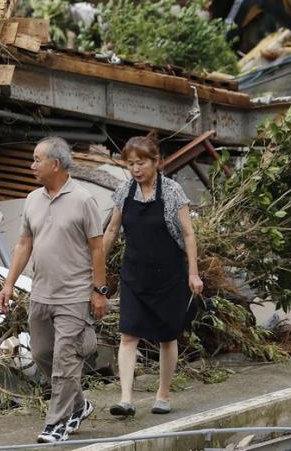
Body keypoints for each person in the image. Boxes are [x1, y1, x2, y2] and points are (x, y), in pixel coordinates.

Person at [0, 137, 107, 444]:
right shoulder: (32, 199)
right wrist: (8, 283)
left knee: (64, 360)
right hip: (41, 293)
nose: (32, 166)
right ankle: (79, 405)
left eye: (36, 160)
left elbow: (97, 249)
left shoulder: (84, 200)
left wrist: (99, 291)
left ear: (55, 164)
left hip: (74, 296)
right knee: (42, 352)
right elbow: (23, 244)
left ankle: (56, 424)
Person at [103, 136, 202, 417]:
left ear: (156, 162)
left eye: (141, 162)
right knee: (128, 334)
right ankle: (125, 400)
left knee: (167, 337)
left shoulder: (172, 191)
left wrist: (193, 273)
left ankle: (163, 394)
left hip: (169, 274)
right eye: (131, 163)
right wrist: (94, 266)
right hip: (134, 274)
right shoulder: (124, 191)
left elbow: (187, 233)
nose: (135, 169)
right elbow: (112, 231)